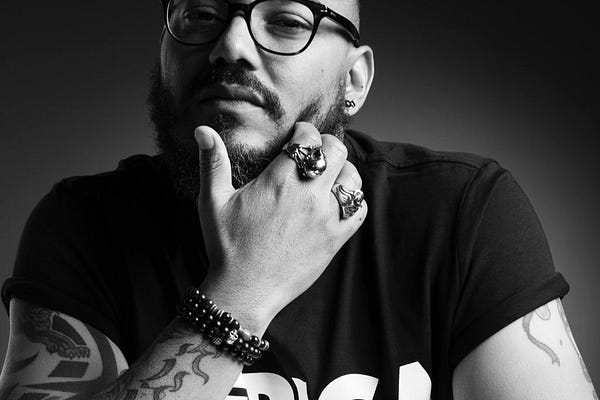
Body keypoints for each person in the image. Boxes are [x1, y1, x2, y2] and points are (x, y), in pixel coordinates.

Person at [0, 0, 597, 399]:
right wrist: (243, 290)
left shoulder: (460, 213)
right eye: (200, 14)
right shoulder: (83, 225)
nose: (230, 45)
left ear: (354, 80)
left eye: (287, 21)